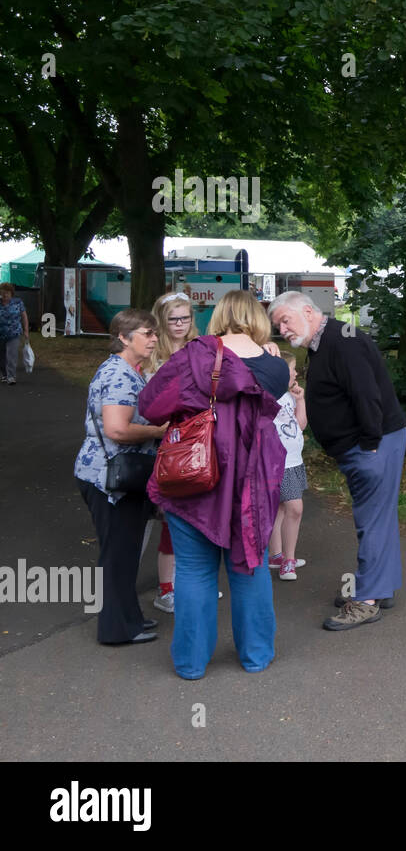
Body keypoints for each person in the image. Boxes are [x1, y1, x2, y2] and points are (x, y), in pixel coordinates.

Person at [139, 290, 288, 679]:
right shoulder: (274, 366)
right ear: (257, 319)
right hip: (252, 483)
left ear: (217, 316)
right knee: (250, 566)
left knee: (193, 570)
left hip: (194, 476)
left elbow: (150, 407)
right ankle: (255, 655)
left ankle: (190, 664)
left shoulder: (192, 356)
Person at [268, 291, 406, 631]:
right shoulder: (325, 341)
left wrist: (371, 443)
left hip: (371, 444)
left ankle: (366, 601)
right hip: (368, 443)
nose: (283, 330)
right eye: (278, 326)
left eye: (286, 321)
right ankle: (379, 586)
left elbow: (366, 393)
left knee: (371, 520)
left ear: (307, 311)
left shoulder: (341, 340)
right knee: (379, 518)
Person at [74, 308, 168, 645]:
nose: (154, 338)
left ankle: (131, 619)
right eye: (147, 333)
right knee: (117, 555)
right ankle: (116, 630)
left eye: (154, 332)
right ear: (124, 338)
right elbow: (117, 429)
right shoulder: (119, 375)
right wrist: (160, 430)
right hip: (109, 478)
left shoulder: (128, 370)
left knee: (125, 552)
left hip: (116, 475)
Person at [144, 292, 199, 614]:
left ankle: (191, 583)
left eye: (185, 318)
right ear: (162, 321)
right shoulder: (152, 355)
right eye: (173, 319)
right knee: (170, 518)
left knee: (194, 517)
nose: (180, 324)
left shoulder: (201, 348)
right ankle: (167, 590)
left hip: (196, 444)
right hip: (163, 445)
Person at [268, 353, 308, 581]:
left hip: (294, 460)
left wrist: (301, 401)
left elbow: (300, 425)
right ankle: (288, 562)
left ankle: (277, 555)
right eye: (292, 369)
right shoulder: (268, 396)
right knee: (295, 508)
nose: (296, 373)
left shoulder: (291, 396)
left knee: (282, 509)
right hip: (277, 462)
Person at [0, 282, 30, 385]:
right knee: (2, 356)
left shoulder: (18, 302)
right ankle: (4, 374)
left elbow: (24, 316)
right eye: (3, 293)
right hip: (1, 334)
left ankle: (11, 376)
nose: (5, 295)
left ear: (11, 293)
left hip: (14, 333)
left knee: (11, 355)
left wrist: (26, 330)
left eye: (7, 293)